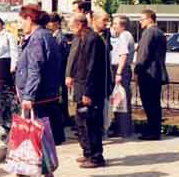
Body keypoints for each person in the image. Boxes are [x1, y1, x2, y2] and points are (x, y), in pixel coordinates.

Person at [0, 5, 62, 177]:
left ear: (29, 19)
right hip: (46, 95)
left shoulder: (37, 38)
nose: (20, 24)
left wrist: (28, 96)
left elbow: (35, 68)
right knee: (40, 139)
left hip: (36, 98)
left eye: (21, 20)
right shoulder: (47, 36)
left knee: (23, 138)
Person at [70, 13, 107, 168]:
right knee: (81, 121)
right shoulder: (84, 38)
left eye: (71, 25)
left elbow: (91, 68)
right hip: (82, 88)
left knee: (91, 123)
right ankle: (88, 152)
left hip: (89, 90)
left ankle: (96, 157)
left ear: (79, 24)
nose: (70, 29)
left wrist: (87, 92)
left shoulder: (92, 39)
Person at [135, 9, 169, 140]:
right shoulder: (160, 33)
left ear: (150, 19)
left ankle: (152, 132)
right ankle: (155, 131)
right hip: (158, 73)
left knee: (149, 104)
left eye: (141, 19)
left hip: (148, 74)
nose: (140, 22)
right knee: (155, 103)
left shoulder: (148, 33)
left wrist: (137, 71)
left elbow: (143, 54)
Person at [0, 16, 18, 130]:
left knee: (7, 92)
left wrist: (13, 66)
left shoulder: (9, 36)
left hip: (6, 64)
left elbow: (14, 51)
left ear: (0, 24)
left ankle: (9, 118)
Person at [110, 15, 135, 138]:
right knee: (122, 100)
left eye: (115, 24)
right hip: (123, 70)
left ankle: (123, 130)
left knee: (121, 100)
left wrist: (118, 73)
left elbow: (123, 55)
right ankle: (125, 129)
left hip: (121, 70)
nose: (113, 26)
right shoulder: (127, 35)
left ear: (122, 25)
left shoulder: (124, 36)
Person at [47, 13, 73, 130]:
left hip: (60, 71)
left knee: (62, 95)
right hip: (56, 71)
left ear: (56, 23)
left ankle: (64, 118)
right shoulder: (52, 36)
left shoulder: (60, 38)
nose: (48, 25)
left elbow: (62, 56)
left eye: (50, 22)